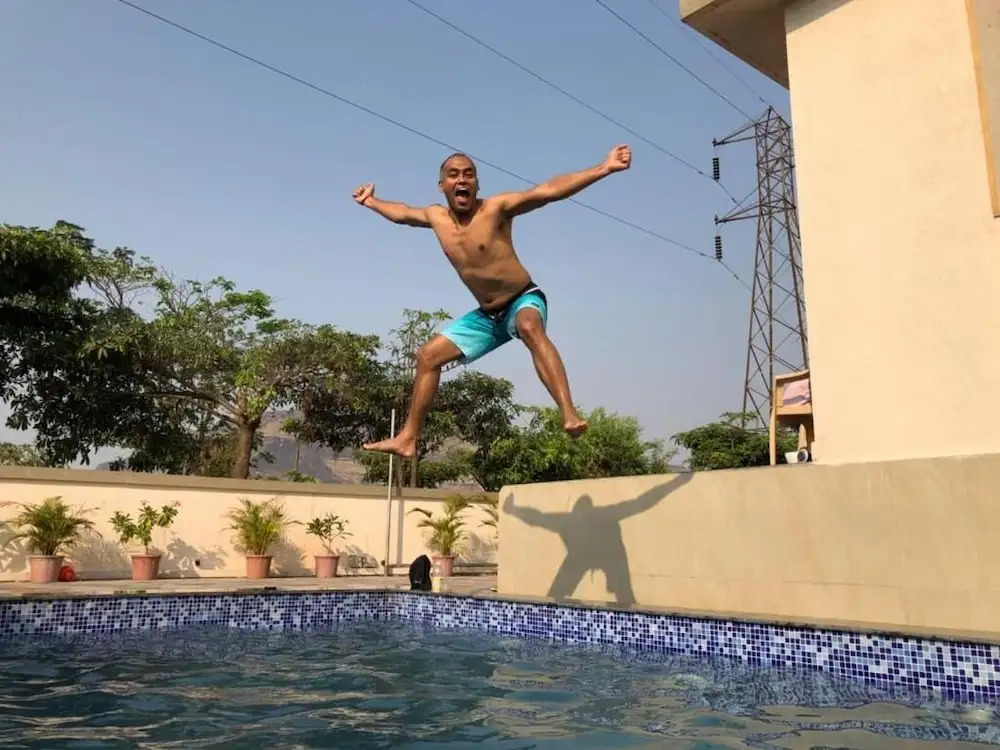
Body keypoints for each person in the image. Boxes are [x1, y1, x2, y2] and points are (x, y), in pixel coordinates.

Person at [353, 144, 632, 459]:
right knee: (428, 357)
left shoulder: (496, 208)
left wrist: (604, 167)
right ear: (442, 185)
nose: (462, 180)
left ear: (477, 184)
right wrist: (371, 201)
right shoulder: (436, 216)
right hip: (488, 315)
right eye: (453, 175)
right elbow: (402, 214)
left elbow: (548, 191)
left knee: (528, 325)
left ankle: (568, 411)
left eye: (469, 175)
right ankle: (407, 438)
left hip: (522, 298)